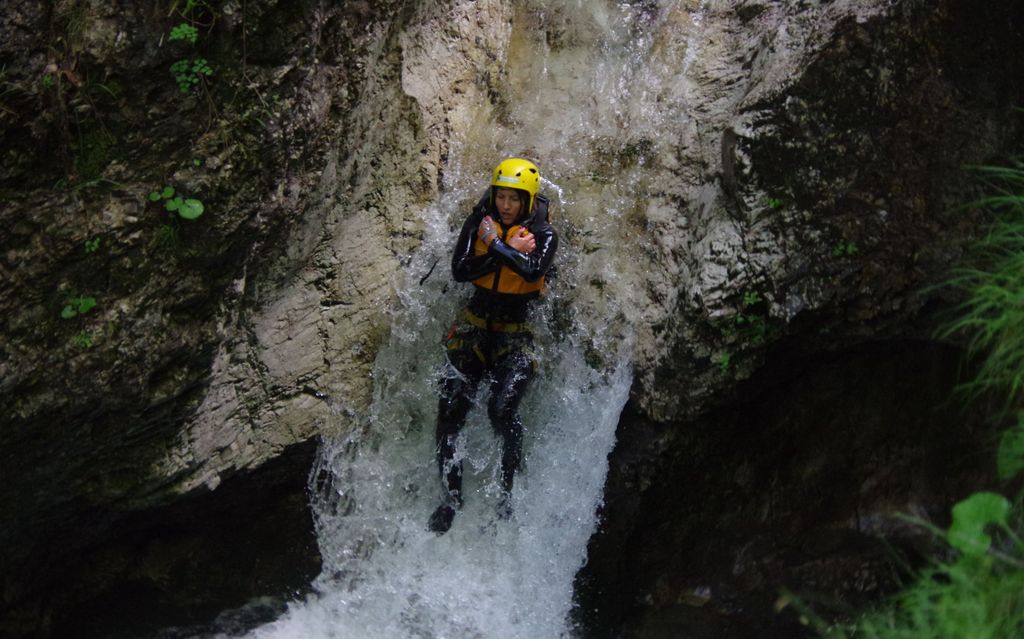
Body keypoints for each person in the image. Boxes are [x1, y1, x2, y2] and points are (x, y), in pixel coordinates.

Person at [428, 157, 559, 534]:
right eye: (501, 197)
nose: (505, 205)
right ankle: (451, 500)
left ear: (528, 202)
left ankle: (507, 495)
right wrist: (502, 250)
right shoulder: (478, 223)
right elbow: (460, 269)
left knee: (501, 412)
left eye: (513, 199)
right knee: (450, 412)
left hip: (517, 333)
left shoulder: (544, 234)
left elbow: (533, 271)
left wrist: (495, 246)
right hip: (473, 327)